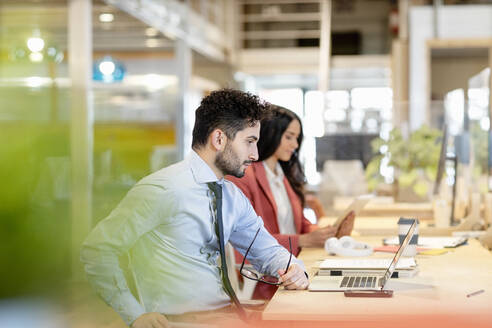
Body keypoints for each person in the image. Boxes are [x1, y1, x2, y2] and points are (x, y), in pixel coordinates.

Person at [80, 90, 309, 328]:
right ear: (219, 139)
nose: (255, 154)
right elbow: (97, 250)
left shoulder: (231, 195)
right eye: (249, 141)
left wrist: (293, 268)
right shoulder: (162, 189)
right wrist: (134, 314)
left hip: (229, 315)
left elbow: (266, 250)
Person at [227, 105, 355, 300]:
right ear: (271, 133)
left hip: (294, 268)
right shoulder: (244, 177)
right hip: (269, 278)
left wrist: (326, 233)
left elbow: (300, 223)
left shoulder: (282, 174)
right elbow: (250, 239)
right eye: (289, 136)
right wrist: (303, 240)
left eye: (297, 138)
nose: (295, 144)